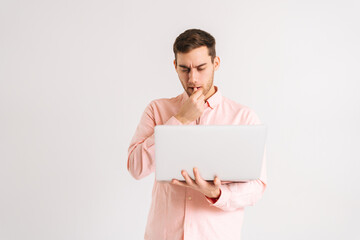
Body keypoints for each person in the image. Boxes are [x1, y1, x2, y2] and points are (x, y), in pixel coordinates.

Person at [127, 29, 267, 240]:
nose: (192, 78)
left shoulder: (243, 117)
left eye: (201, 68)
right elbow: (135, 167)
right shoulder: (157, 110)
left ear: (216, 63)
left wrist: (217, 194)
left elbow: (257, 188)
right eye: (184, 69)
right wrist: (180, 120)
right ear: (175, 66)